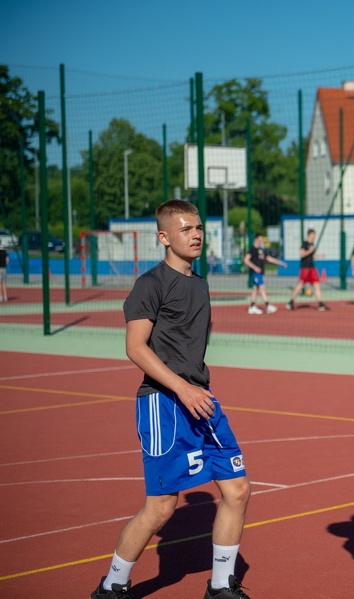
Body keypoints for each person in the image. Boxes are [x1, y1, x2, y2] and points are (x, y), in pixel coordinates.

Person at [91, 199, 251, 599]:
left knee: (237, 490)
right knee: (162, 506)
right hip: (163, 402)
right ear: (163, 237)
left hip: (201, 399)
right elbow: (135, 347)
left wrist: (193, 387)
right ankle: (112, 586)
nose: (196, 234)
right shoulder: (151, 283)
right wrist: (181, 386)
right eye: (185, 229)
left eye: (198, 227)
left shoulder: (199, 283)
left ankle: (220, 587)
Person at [242, 234, 286, 314]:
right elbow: (246, 260)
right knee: (262, 287)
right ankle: (268, 305)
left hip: (260, 273)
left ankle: (252, 306)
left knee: (255, 289)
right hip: (256, 273)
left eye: (262, 240)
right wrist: (255, 267)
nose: (261, 241)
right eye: (260, 240)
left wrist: (280, 263)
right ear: (256, 239)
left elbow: (269, 258)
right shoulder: (252, 250)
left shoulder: (261, 250)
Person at [287, 229, 328, 311]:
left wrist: (319, 256)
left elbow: (311, 256)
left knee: (317, 285)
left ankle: (320, 303)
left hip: (312, 268)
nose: (315, 236)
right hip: (305, 268)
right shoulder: (304, 244)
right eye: (313, 234)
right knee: (300, 285)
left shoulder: (312, 244)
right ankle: (291, 302)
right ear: (310, 235)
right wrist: (310, 250)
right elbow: (302, 254)